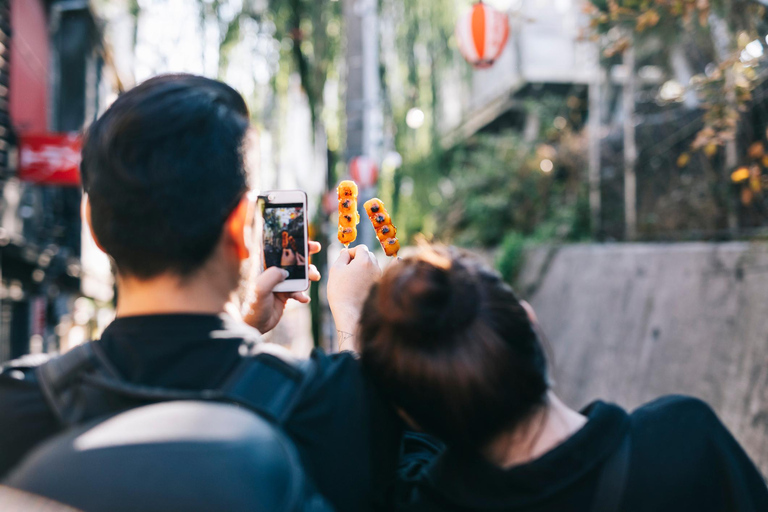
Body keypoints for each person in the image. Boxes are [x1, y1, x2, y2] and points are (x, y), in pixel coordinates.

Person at [0, 74, 401, 512]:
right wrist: (354, 322)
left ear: (92, 223)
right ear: (241, 227)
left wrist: (245, 329)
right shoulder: (331, 406)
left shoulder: (19, 405)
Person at [357, 245, 768, 512]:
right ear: (530, 323)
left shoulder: (425, 502)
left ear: (412, 418)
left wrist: (349, 321)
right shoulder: (684, 443)